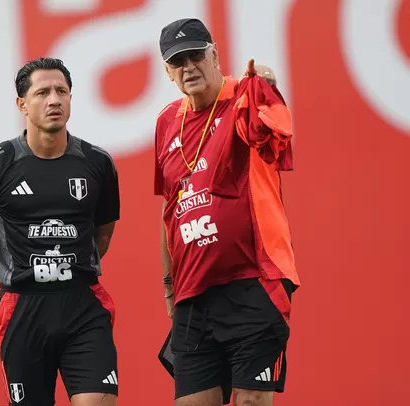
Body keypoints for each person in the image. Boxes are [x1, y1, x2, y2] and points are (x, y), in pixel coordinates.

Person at [153, 18, 300, 406]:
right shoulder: (167, 122)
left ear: (215, 53)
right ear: (168, 71)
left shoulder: (247, 94)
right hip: (193, 294)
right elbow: (170, 209)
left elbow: (274, 133)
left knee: (251, 399)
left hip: (253, 280)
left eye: (196, 55)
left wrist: (266, 84)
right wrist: (170, 288)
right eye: (177, 61)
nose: (189, 67)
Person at [0, 57, 120, 406]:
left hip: (83, 304)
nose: (54, 100)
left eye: (62, 91)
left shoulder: (97, 163)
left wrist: (66, 267)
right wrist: (24, 269)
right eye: (43, 92)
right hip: (22, 307)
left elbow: (102, 236)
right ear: (21, 104)